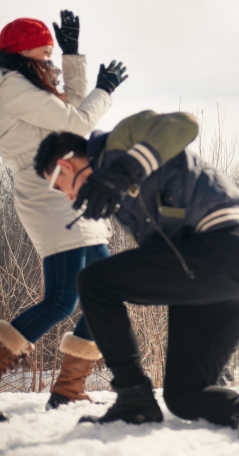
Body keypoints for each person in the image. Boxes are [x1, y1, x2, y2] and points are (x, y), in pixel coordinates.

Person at [33, 110, 239, 436]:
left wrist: (123, 172)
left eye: (59, 184)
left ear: (68, 162)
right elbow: (158, 262)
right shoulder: (124, 204)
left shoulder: (123, 139)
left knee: (94, 282)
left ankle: (133, 399)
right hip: (223, 277)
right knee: (185, 396)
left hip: (224, 249)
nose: (69, 196)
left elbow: (184, 124)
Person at [0, 11, 128, 411]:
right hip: (46, 190)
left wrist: (74, 56)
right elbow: (78, 122)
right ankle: (67, 389)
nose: (49, 59)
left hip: (66, 185)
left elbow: (68, 109)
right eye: (44, 51)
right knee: (62, 299)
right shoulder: (11, 89)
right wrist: (105, 89)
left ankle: (69, 389)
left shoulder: (25, 85)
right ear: (22, 53)